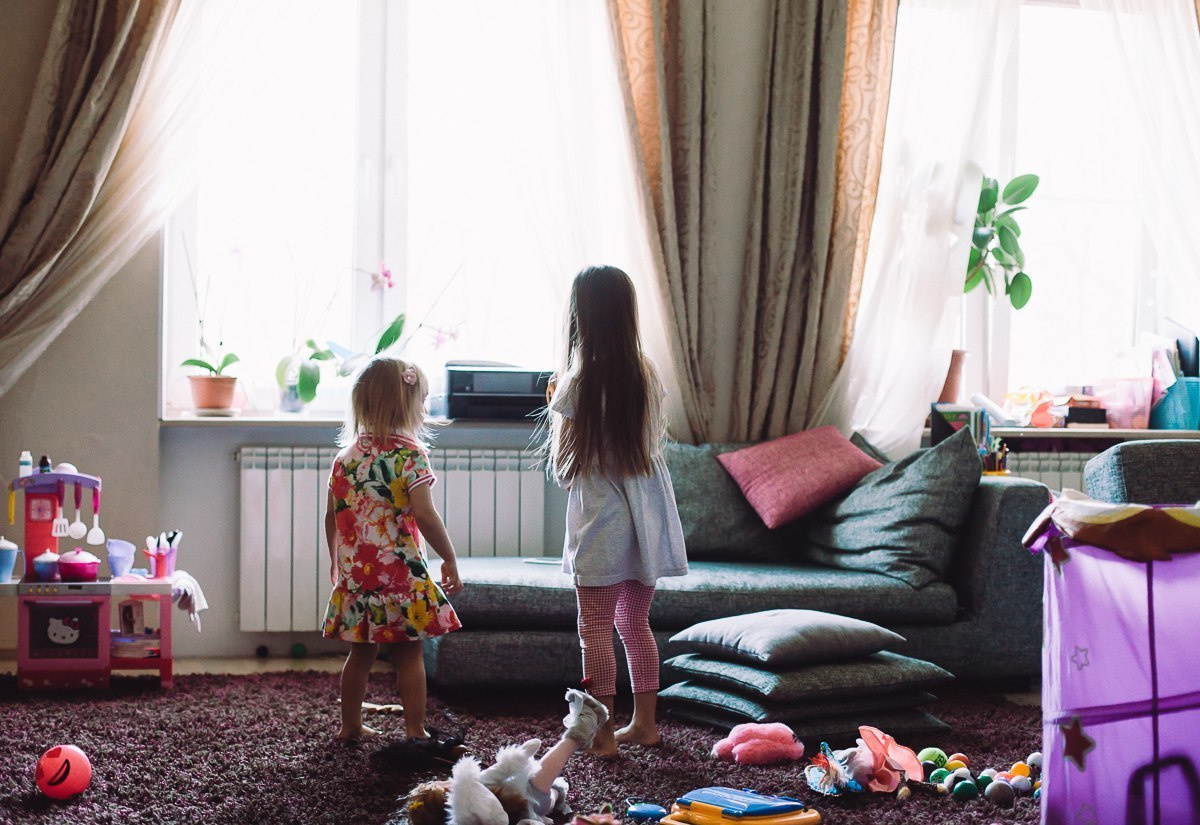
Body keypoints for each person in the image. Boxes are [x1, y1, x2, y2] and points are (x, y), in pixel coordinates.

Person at [544, 265, 688, 756]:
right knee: (634, 624)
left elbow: (565, 469)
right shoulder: (646, 372)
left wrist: (554, 404)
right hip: (647, 522)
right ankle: (644, 724)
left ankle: (603, 735)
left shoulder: (579, 379)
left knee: (594, 632)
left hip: (602, 525)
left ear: (580, 316)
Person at [323, 356, 464, 746]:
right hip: (400, 576)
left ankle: (350, 725)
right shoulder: (410, 456)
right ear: (405, 405)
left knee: (360, 655)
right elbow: (426, 515)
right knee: (409, 654)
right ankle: (415, 730)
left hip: (359, 575)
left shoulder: (345, 458)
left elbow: (332, 517)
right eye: (422, 401)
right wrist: (449, 557)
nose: (424, 410)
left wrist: (336, 560)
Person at [404, 689, 609, 825]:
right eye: (440, 784)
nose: (444, 780)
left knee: (548, 790)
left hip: (534, 806)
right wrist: (516, 758)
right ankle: (584, 724)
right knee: (539, 776)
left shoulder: (473, 810)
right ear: (449, 794)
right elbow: (498, 772)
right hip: (532, 795)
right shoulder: (467, 791)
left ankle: (558, 789)